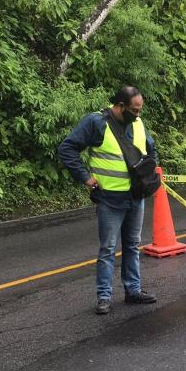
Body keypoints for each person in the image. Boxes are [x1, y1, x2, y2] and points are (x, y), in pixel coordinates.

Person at [58, 86, 158, 315]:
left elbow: (151, 150)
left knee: (132, 245)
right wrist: (85, 177)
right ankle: (104, 297)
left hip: (135, 197)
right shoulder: (96, 123)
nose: (138, 114)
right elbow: (67, 149)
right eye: (134, 110)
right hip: (110, 199)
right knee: (108, 248)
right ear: (120, 106)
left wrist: (148, 174)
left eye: (140, 110)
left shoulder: (138, 123)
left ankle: (133, 290)